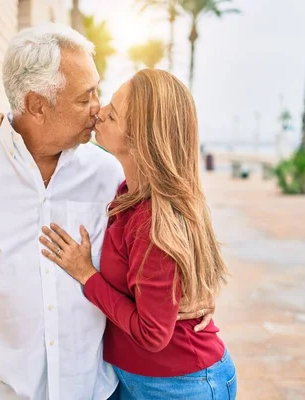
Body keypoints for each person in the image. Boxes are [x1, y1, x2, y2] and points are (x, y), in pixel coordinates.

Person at [0, 23, 213, 400]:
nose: (98, 108)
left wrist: (197, 291)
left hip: (97, 387)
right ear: (37, 105)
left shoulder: (112, 172)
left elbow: (172, 222)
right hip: (4, 387)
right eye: (86, 97)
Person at [39, 69, 237, 399]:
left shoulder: (153, 222)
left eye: (112, 116)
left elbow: (152, 334)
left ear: (139, 141)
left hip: (182, 387)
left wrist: (87, 275)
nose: (99, 112)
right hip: (139, 380)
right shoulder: (130, 191)